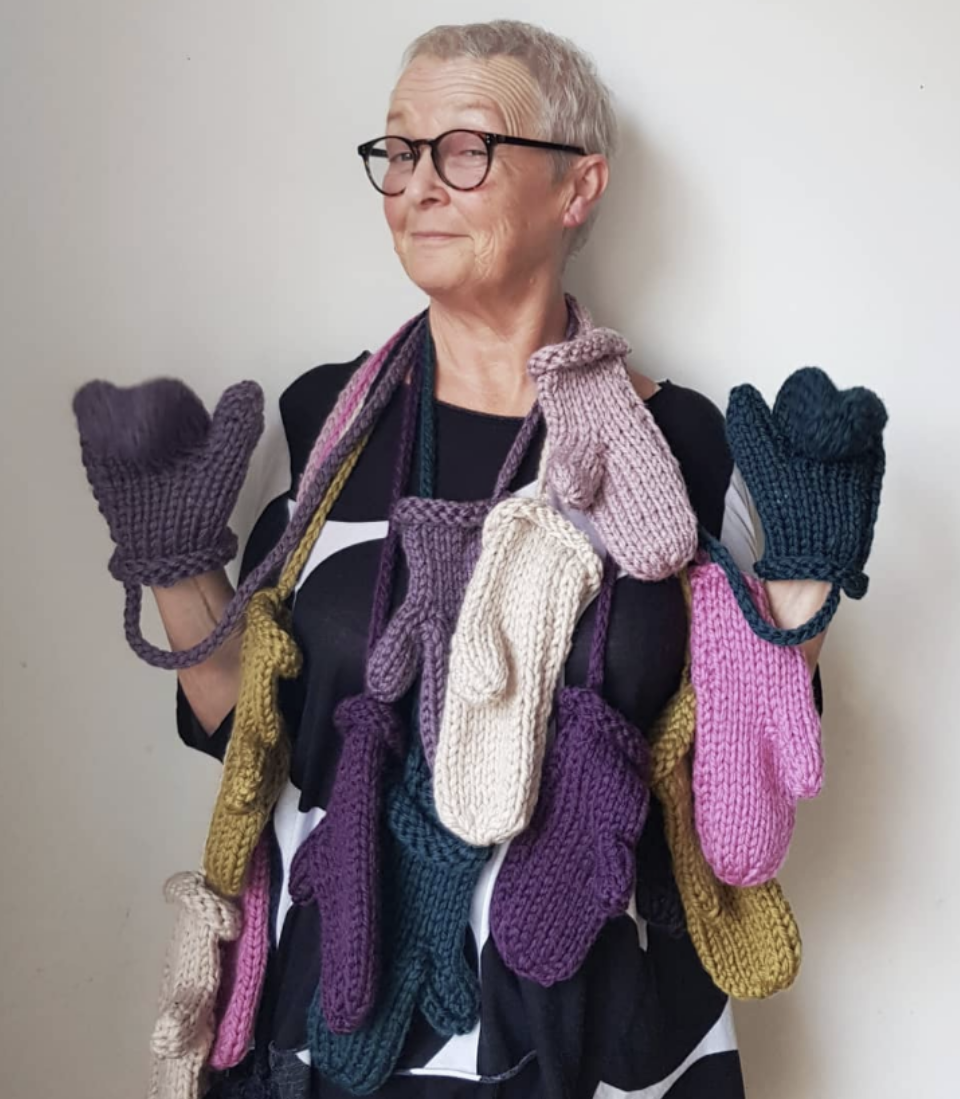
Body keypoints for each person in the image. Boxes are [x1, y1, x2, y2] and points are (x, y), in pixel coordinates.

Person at [73, 19, 887, 1099]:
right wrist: (172, 556)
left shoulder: (682, 450)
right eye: (398, 152)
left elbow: (749, 766)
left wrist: (808, 578)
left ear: (577, 188)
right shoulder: (331, 426)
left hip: (605, 1034)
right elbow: (242, 726)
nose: (417, 184)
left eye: (465, 148)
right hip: (334, 1023)